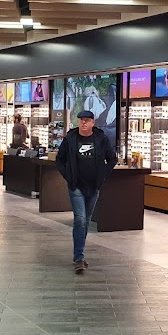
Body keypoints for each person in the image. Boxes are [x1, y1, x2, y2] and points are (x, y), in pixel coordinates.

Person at [55, 110, 118, 274]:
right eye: (81, 120)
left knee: (86, 221)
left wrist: (103, 175)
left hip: (93, 186)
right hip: (76, 186)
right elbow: (59, 160)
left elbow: (112, 158)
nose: (83, 123)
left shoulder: (101, 138)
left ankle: (79, 253)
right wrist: (68, 176)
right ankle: (78, 258)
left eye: (86, 120)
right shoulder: (70, 139)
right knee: (80, 220)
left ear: (92, 123)